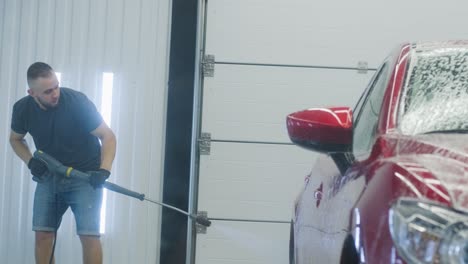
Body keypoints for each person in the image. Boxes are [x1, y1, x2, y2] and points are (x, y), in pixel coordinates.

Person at [9, 62, 117, 264]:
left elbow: (108, 136)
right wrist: (30, 161)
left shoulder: (77, 102)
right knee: (43, 235)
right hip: (49, 177)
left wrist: (104, 170)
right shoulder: (23, 109)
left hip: (85, 178)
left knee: (89, 236)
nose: (55, 93)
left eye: (56, 86)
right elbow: (15, 139)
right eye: (48, 91)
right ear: (32, 93)